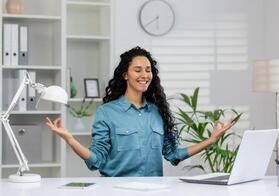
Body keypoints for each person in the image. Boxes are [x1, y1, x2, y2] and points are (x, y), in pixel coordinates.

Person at [46, 46, 234, 177]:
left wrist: (211, 140)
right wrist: (70, 139)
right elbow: (97, 161)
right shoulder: (107, 112)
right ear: (125, 74)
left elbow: (173, 154)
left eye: (148, 70)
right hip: (116, 192)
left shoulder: (158, 111)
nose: (144, 75)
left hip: (154, 192)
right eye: (137, 70)